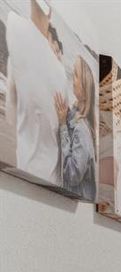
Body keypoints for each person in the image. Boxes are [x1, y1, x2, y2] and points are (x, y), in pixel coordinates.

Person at [5, 0, 67, 184]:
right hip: (46, 177)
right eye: (53, 48)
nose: (55, 53)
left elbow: (11, 114)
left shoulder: (16, 29)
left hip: (28, 167)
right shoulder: (60, 76)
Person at [54, 56, 96, 201]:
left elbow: (72, 175)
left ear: (84, 89)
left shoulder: (82, 130)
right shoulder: (75, 116)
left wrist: (63, 126)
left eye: (76, 74)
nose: (73, 76)